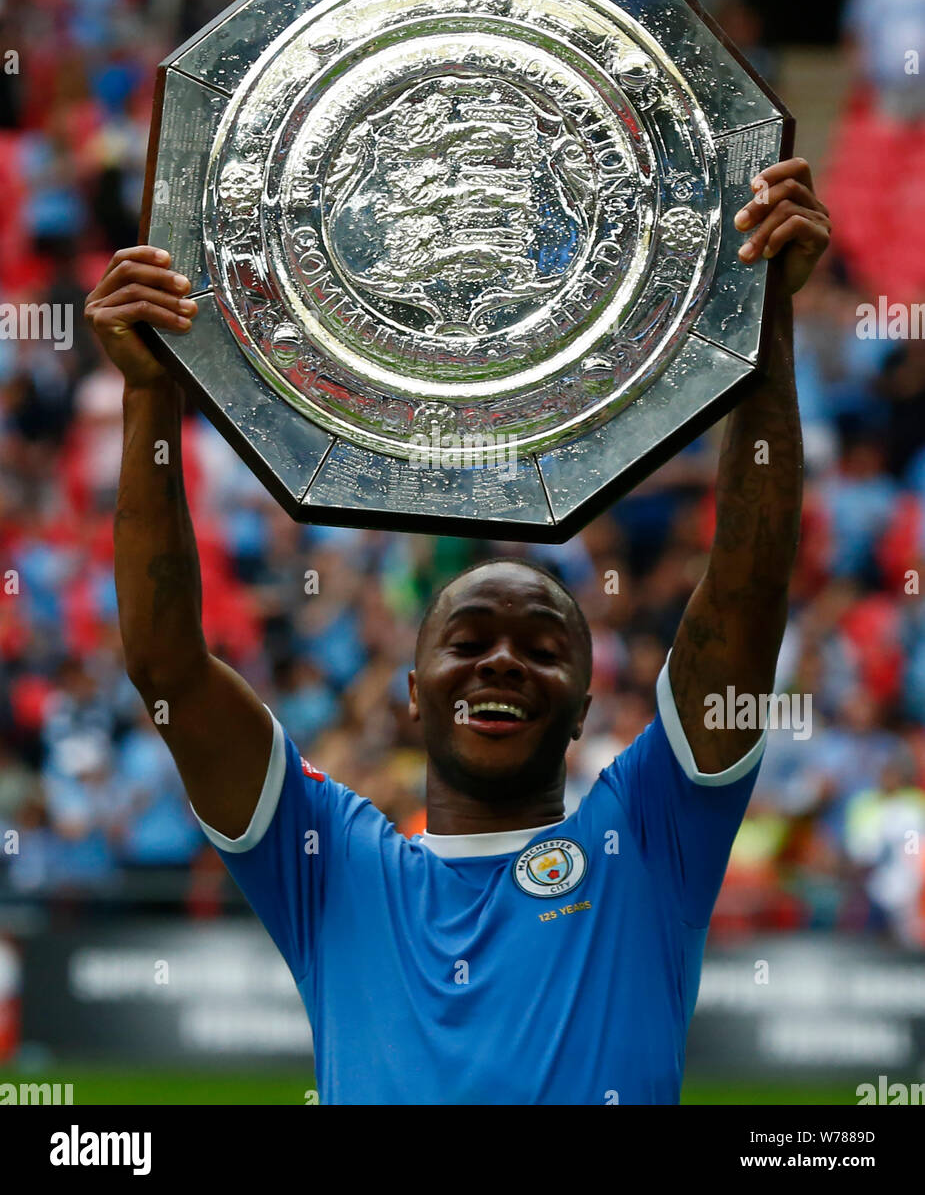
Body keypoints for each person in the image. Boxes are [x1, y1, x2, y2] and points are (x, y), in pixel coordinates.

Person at [84, 159, 831, 1104]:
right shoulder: (329, 864)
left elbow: (745, 598)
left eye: (545, 646)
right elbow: (168, 673)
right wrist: (150, 395)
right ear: (412, 688)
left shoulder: (646, 838)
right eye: (469, 639)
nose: (505, 660)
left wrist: (761, 312)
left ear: (583, 709)